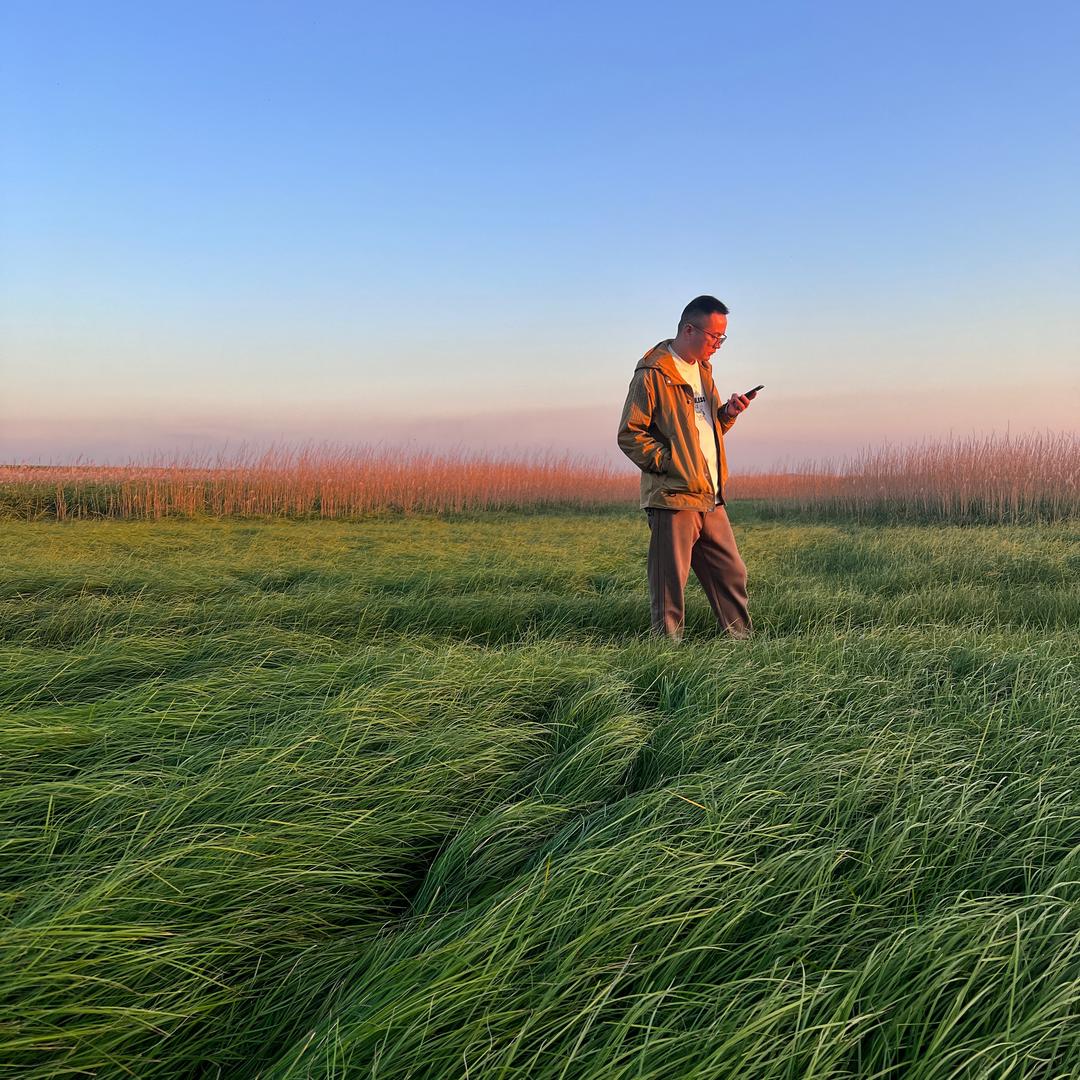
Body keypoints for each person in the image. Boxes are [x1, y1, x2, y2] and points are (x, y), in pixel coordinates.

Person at [617, 295, 754, 641]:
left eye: (723, 338)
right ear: (689, 329)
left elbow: (703, 430)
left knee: (732, 573)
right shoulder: (653, 373)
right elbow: (630, 434)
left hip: (710, 494)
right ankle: (667, 658)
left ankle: (742, 646)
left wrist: (727, 414)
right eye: (714, 337)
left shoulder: (704, 370)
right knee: (669, 585)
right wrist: (671, 464)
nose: (718, 346)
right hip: (673, 496)